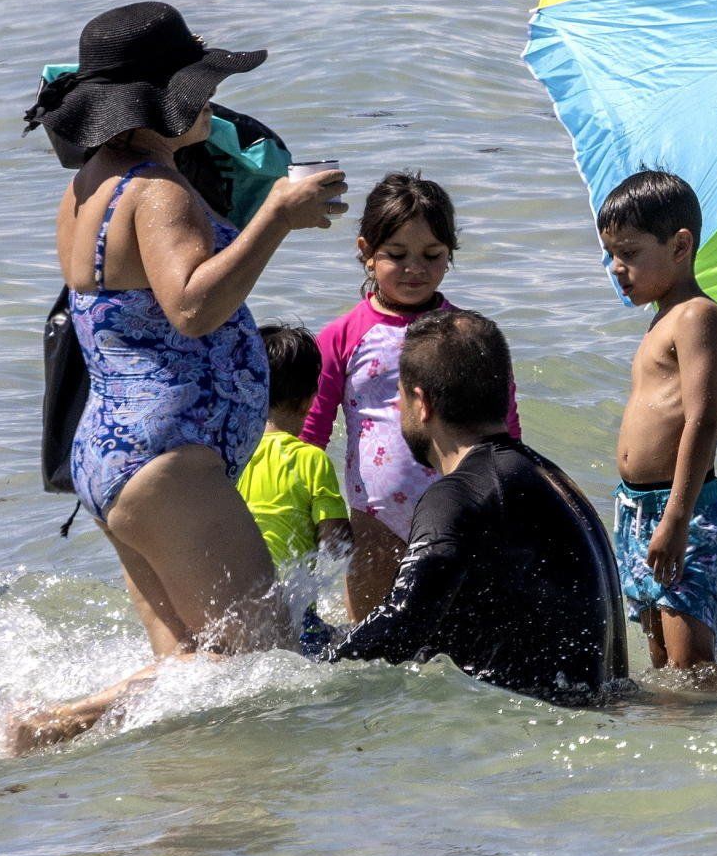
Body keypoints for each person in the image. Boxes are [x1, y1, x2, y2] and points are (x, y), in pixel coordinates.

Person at [6, 4, 346, 751]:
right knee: (267, 669)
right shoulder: (156, 191)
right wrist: (277, 218)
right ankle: (58, 722)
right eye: (199, 89)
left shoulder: (91, 186)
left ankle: (193, 838)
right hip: (165, 461)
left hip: (115, 453)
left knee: (197, 676)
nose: (211, 103)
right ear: (156, 104)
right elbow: (191, 304)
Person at [326, 311, 627, 709]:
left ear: (421, 403)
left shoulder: (459, 493)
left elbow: (405, 620)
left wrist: (318, 673)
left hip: (531, 739)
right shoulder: (548, 478)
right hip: (591, 717)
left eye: (399, 398)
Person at [300, 173, 518, 621]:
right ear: (365, 253)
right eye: (396, 255)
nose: (415, 268)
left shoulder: (468, 335)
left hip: (460, 510)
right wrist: (315, 510)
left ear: (450, 254)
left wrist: (512, 498)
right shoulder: (342, 336)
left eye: (432, 255)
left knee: (457, 638)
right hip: (373, 518)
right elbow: (310, 436)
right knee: (370, 646)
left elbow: (504, 426)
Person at [598, 170, 717, 676]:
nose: (617, 268)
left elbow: (701, 421)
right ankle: (670, 748)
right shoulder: (662, 317)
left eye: (630, 254)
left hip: (682, 506)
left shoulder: (699, 316)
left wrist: (677, 520)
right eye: (612, 255)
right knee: (661, 663)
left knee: (692, 668)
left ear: (680, 245)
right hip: (638, 507)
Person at [237, 322, 350, 571]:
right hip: (292, 597)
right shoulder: (311, 460)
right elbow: (336, 543)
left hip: (234, 588)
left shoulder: (230, 456)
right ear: (309, 402)